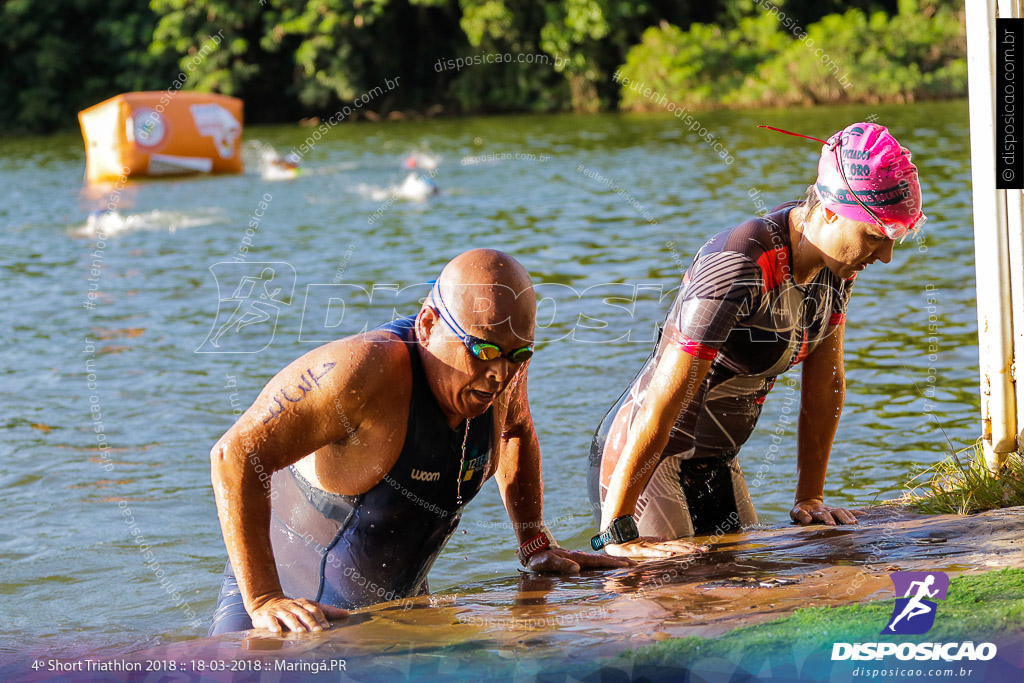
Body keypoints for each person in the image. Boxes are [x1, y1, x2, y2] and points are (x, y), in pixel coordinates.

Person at [208, 248, 631, 635]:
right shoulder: (362, 372)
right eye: (483, 351)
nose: (500, 374)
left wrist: (534, 542)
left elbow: (517, 430)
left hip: (397, 610)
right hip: (289, 616)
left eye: (518, 355)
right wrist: (264, 598)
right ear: (428, 325)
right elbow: (235, 455)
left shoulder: (501, 373)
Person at [587, 122, 926, 558]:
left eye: (893, 239)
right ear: (828, 210)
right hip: (648, 464)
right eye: (876, 237)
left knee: (749, 589)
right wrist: (617, 528)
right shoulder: (740, 262)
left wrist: (810, 498)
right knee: (666, 606)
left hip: (718, 461)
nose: (885, 256)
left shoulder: (836, 266)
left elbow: (826, 384)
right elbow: (663, 398)